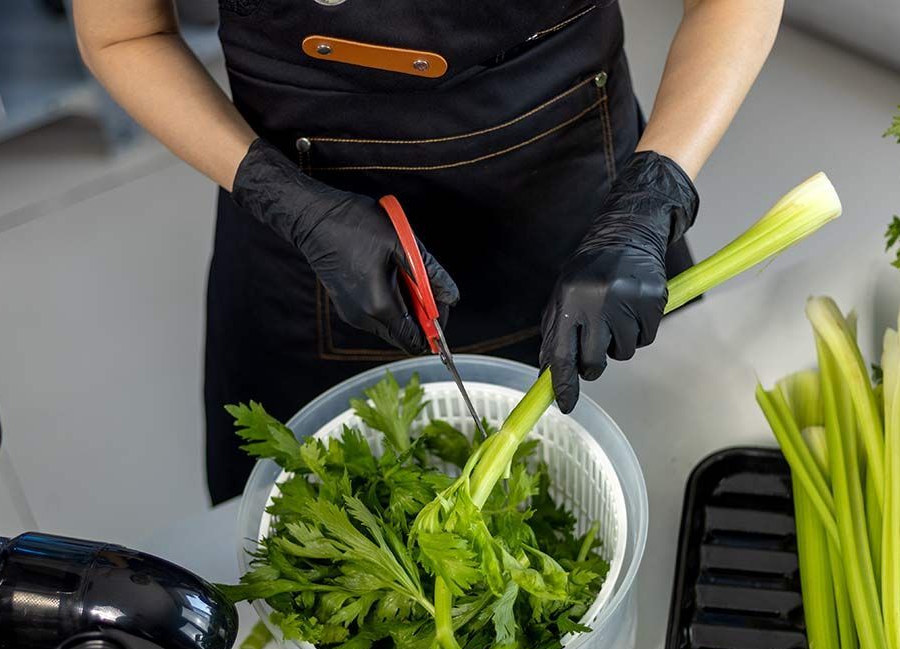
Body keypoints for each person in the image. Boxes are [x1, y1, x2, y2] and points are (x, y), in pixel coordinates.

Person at [73, 0, 783, 502]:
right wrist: (284, 200)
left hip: (582, 196)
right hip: (305, 235)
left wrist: (650, 199)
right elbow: (123, 34)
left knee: (662, 481)